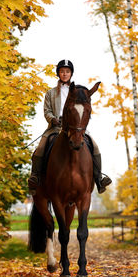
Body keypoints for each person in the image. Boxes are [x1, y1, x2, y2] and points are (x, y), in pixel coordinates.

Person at [28, 59, 112, 195]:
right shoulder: (50, 93)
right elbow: (47, 111)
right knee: (41, 148)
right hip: (55, 128)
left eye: (67, 71)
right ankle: (35, 176)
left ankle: (99, 178)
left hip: (76, 128)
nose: (65, 74)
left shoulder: (77, 92)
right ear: (58, 74)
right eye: (62, 71)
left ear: (71, 73)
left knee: (95, 146)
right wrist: (52, 119)